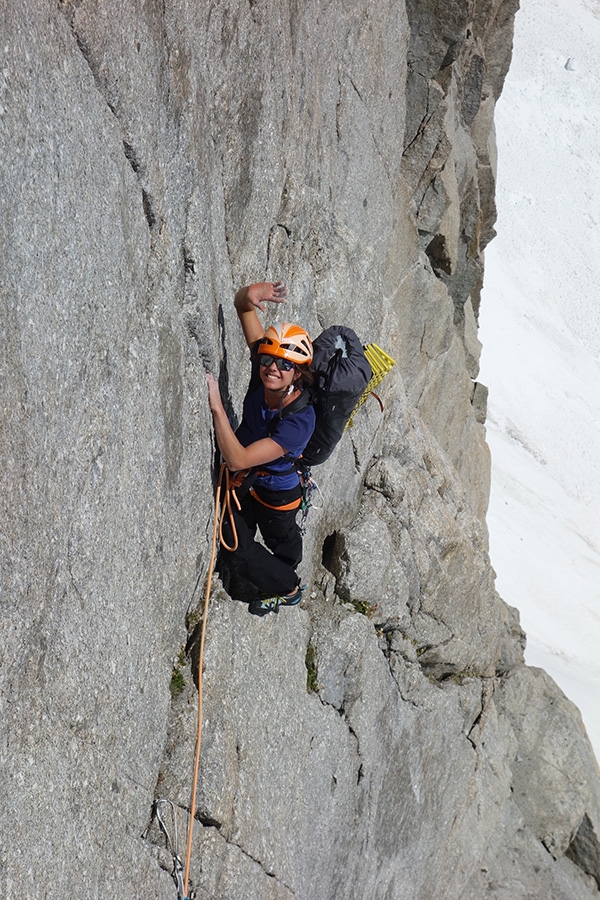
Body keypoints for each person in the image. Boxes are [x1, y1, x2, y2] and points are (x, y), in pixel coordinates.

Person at [206, 281, 316, 617]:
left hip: (279, 496)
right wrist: (247, 294)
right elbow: (243, 308)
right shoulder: (264, 372)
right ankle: (281, 566)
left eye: (285, 365)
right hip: (250, 482)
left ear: (297, 374)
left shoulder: (299, 421)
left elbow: (237, 457)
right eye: (268, 359)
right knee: (240, 546)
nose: (273, 367)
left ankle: (289, 588)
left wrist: (217, 410)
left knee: (259, 548)